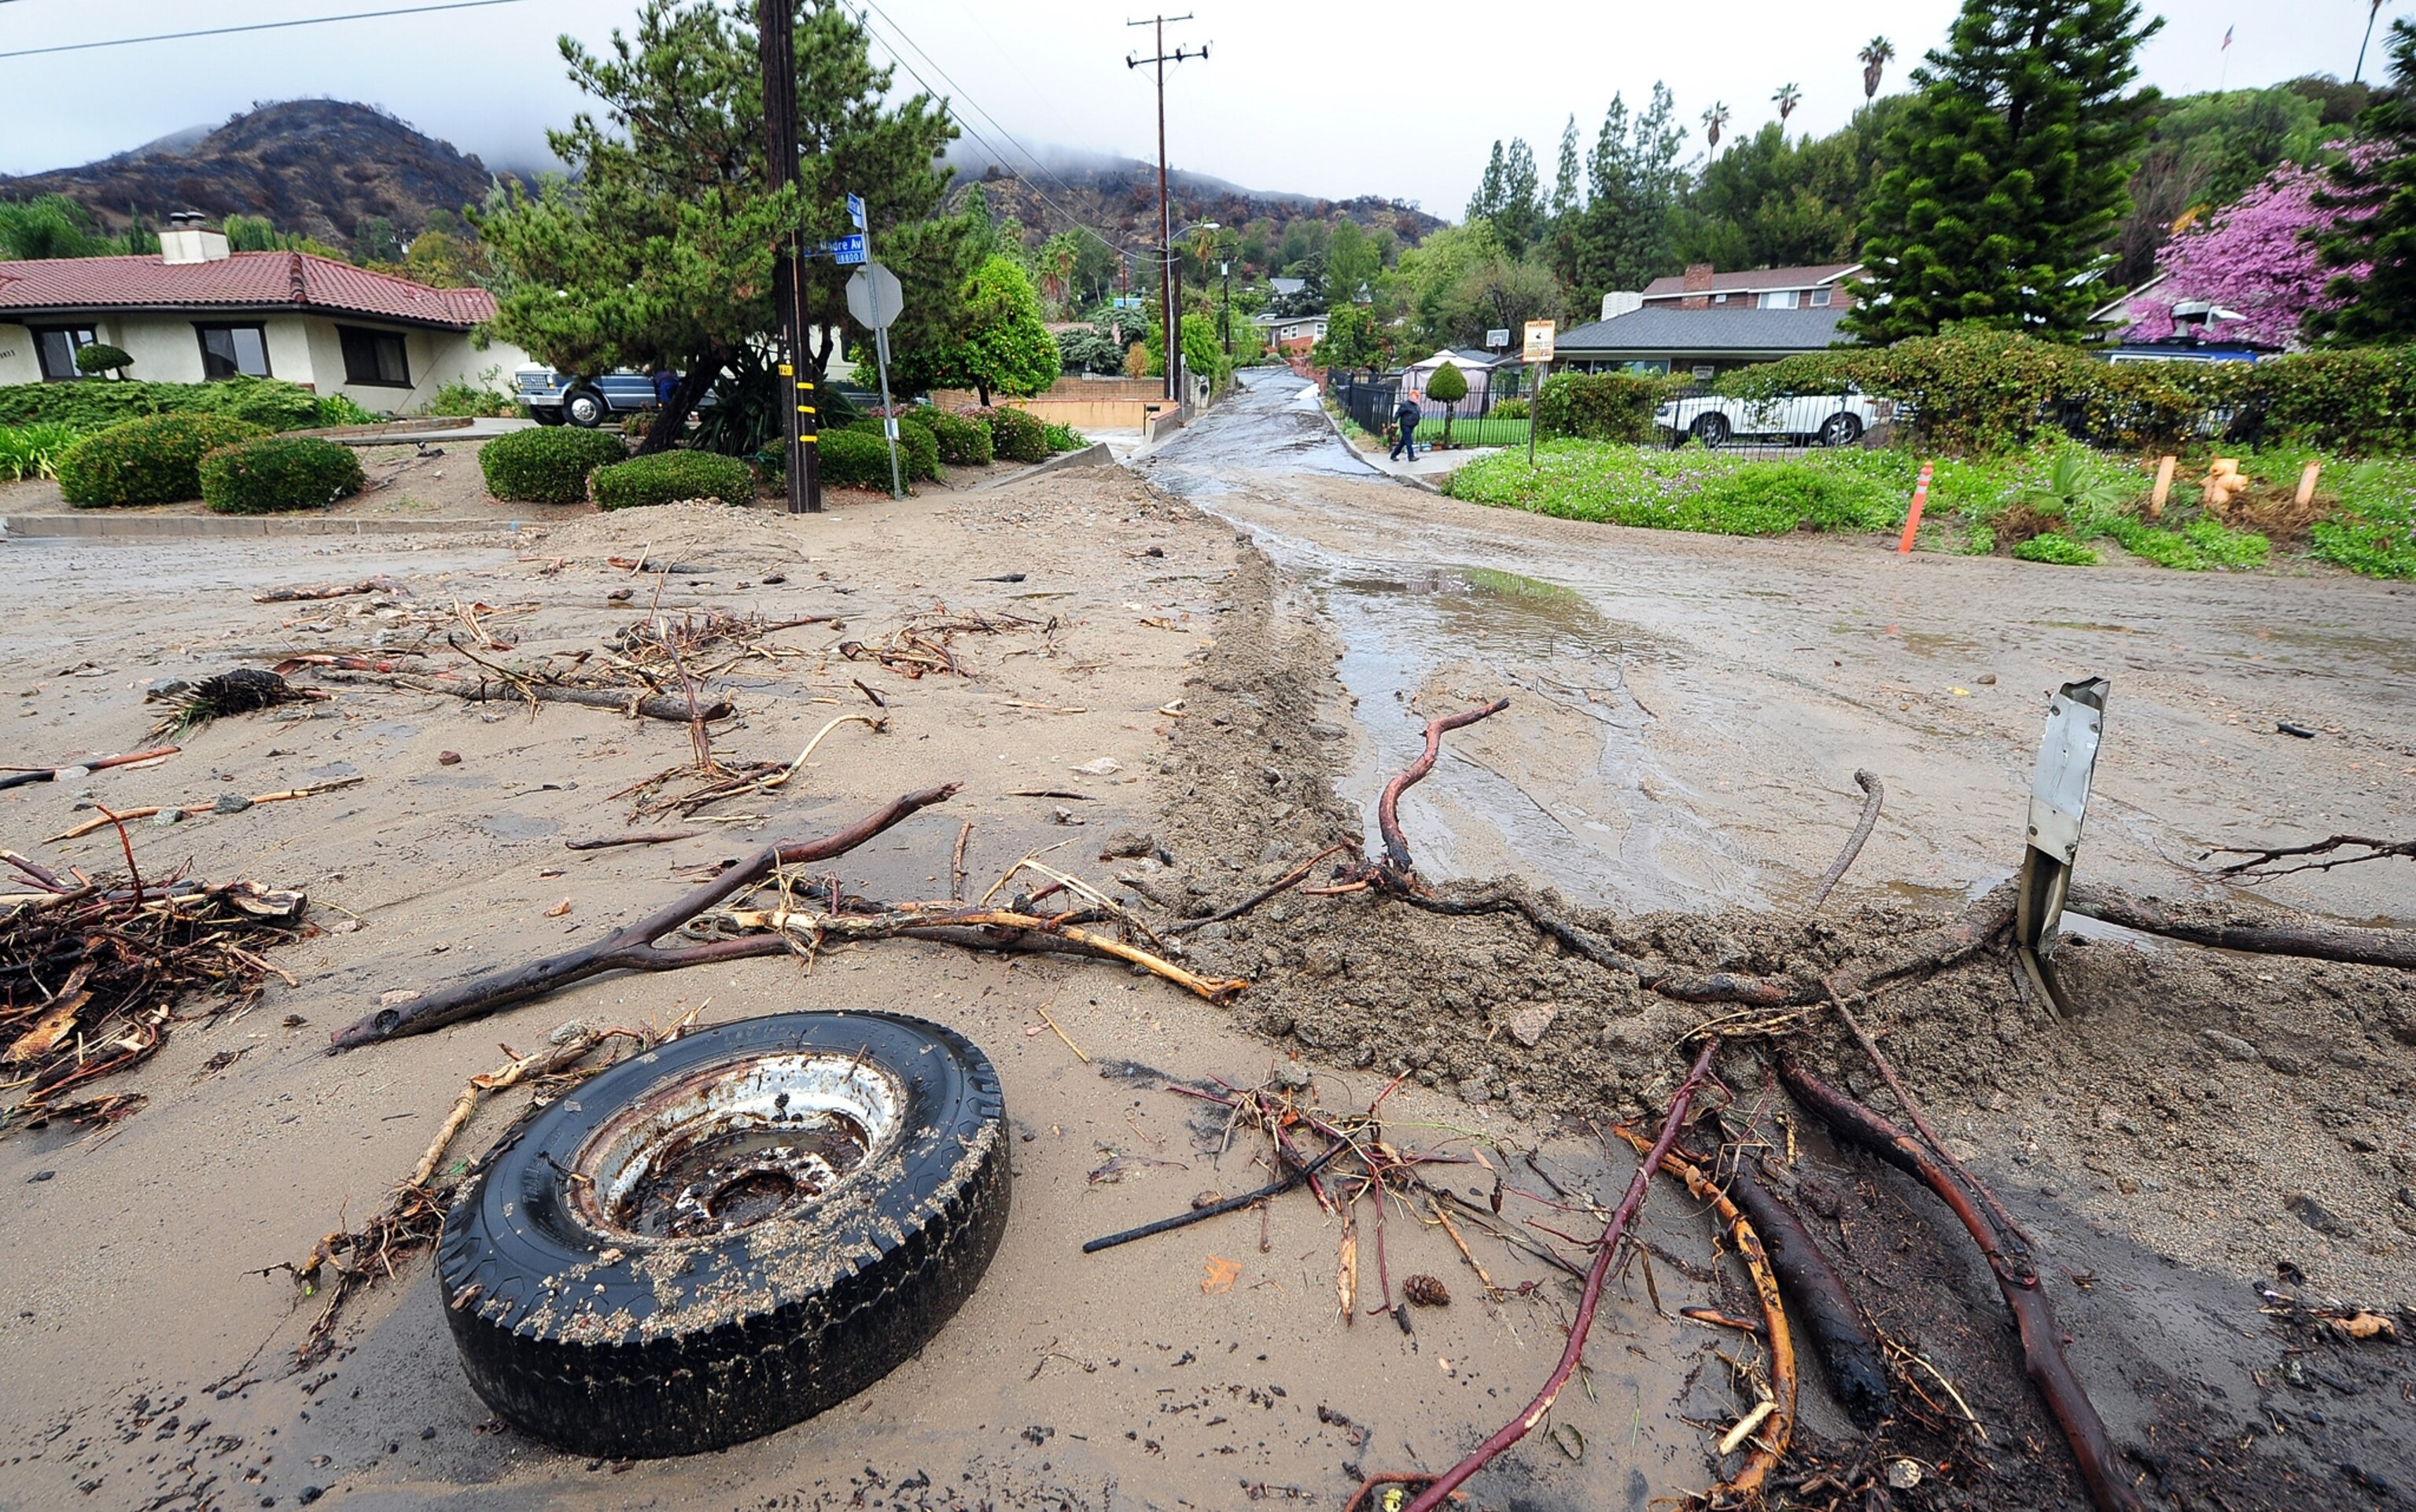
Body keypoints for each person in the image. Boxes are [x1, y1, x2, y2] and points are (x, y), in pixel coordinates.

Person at [1390, 391, 1422, 462]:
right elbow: (1398, 413)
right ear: (1410, 396)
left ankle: (1394, 455)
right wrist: (1394, 422)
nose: (1416, 398)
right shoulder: (1405, 405)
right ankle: (1411, 456)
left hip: (1411, 425)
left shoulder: (1415, 405)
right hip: (1406, 425)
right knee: (1409, 441)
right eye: (1415, 396)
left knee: (1403, 441)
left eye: (1417, 397)